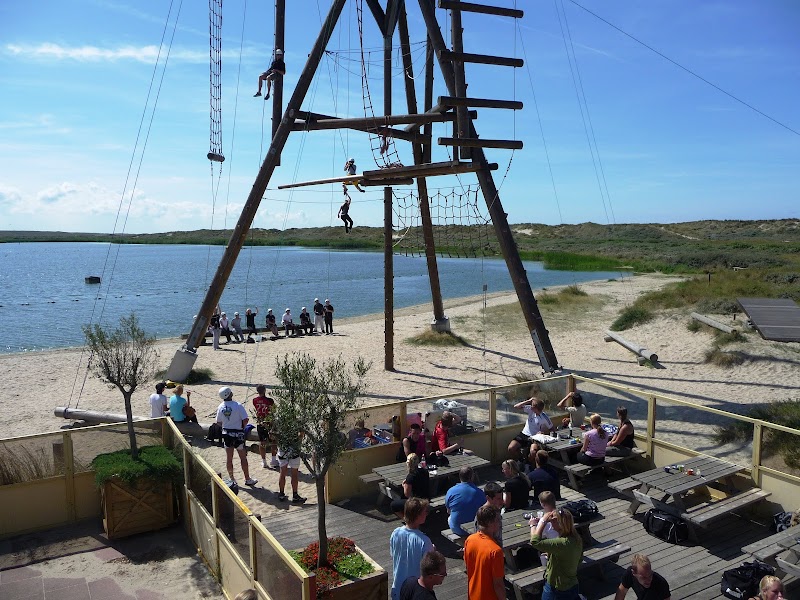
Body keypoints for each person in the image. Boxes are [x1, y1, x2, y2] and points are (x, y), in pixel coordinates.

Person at [530, 507, 583, 600]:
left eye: (552, 520)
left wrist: (539, 522)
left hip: (557, 588)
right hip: (572, 585)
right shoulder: (576, 538)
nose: (550, 522)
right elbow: (579, 559)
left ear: (558, 523)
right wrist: (553, 555)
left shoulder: (561, 543)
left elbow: (535, 542)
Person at [390, 497, 434, 600]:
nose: (427, 514)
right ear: (417, 516)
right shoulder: (424, 541)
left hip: (397, 587)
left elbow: (393, 555)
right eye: (424, 512)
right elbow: (429, 568)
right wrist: (433, 550)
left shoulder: (396, 533)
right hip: (414, 591)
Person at [215, 386, 258, 486]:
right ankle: (247, 478)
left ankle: (232, 479)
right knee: (243, 457)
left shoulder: (220, 406)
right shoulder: (237, 405)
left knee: (229, 458)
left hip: (227, 434)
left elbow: (218, 422)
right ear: (230, 394)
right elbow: (245, 419)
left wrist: (227, 425)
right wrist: (242, 427)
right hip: (238, 434)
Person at [464, 505, 505, 600]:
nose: (500, 523)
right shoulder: (495, 551)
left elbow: (468, 565)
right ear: (490, 523)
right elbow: (498, 584)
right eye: (498, 520)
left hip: (473, 594)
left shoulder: (470, 540)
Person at [508, 393, 555, 464]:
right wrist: (528, 401)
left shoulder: (544, 417)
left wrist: (544, 433)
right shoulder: (530, 410)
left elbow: (552, 429)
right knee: (511, 448)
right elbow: (516, 406)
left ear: (536, 408)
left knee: (533, 452)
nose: (531, 406)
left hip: (534, 437)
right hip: (524, 434)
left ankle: (528, 464)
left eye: (532, 406)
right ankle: (520, 460)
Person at [444, 466, 486, 536]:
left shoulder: (451, 491)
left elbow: (448, 511)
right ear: (472, 477)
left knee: (450, 517)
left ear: (460, 477)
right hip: (475, 528)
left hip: (457, 529)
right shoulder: (480, 493)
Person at [390, 453, 431, 517]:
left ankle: (408, 520)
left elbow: (407, 494)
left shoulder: (410, 476)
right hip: (426, 499)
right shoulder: (425, 471)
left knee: (393, 505)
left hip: (418, 502)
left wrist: (404, 486)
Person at [252, 384, 279, 469]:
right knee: (273, 441)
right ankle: (273, 460)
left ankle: (264, 461)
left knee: (262, 442)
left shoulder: (254, 400)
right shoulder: (270, 400)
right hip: (269, 422)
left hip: (260, 422)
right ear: (264, 390)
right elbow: (274, 410)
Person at [276, 432, 306, 503]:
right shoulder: (296, 426)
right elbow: (301, 435)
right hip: (294, 450)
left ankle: (281, 494)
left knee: (282, 473)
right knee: (294, 473)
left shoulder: (279, 426)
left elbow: (273, 435)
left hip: (282, 450)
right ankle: (295, 495)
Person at [533, 491, 559, 570]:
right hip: (565, 546)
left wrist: (533, 525)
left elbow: (535, 538)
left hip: (555, 549)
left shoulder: (545, 519)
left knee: (541, 554)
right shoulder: (563, 514)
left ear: (542, 504)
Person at [477, 482, 505, 546]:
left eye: (502, 497)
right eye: (498, 499)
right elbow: (481, 537)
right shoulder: (482, 515)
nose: (502, 501)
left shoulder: (496, 510)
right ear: (488, 498)